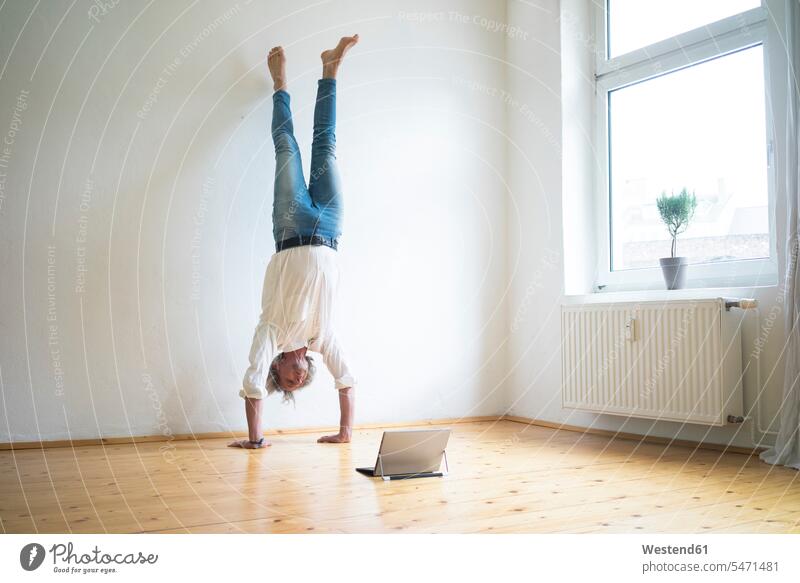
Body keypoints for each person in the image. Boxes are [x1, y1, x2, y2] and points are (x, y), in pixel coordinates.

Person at [229, 35, 360, 450]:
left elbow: (252, 383)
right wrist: (345, 433)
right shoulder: (323, 339)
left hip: (290, 226)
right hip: (331, 225)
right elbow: (348, 379)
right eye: (299, 382)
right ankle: (329, 69)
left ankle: (280, 82)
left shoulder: (271, 333)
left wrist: (255, 440)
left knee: (286, 146)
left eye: (288, 379)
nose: (297, 378)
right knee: (327, 145)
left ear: (280, 365)